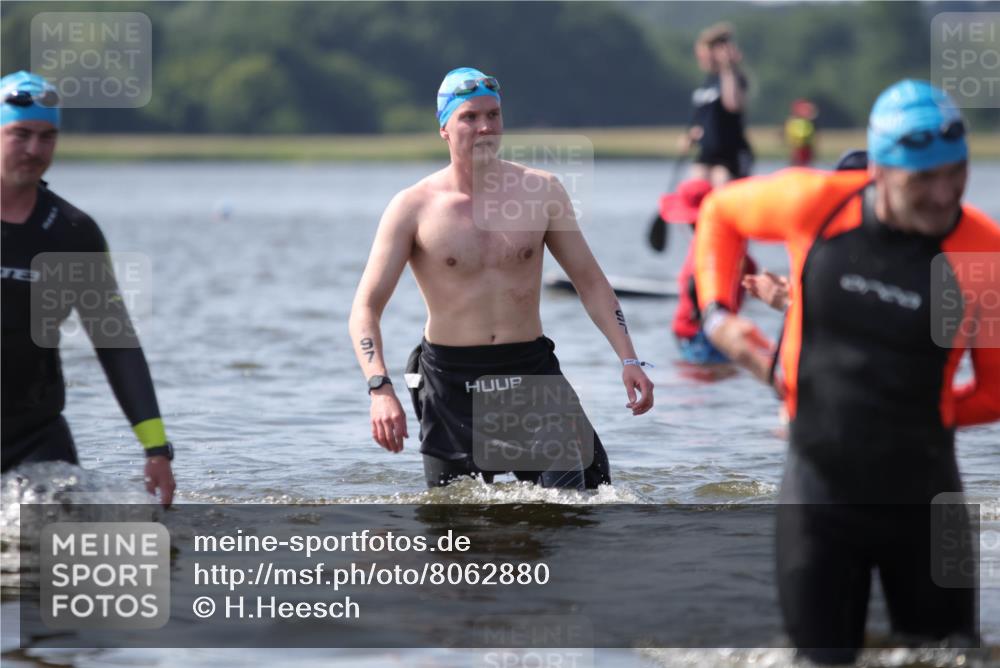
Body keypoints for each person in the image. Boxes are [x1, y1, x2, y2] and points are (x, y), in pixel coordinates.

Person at [694, 80, 999, 662]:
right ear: (880, 170)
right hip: (818, 499)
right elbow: (718, 213)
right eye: (923, 179)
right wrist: (717, 318)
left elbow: (997, 390)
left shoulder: (982, 251)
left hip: (926, 501)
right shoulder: (816, 203)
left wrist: (913, 415)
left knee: (949, 658)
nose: (943, 195)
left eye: (955, 173)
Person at [349, 67, 654, 489]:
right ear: (444, 127)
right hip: (452, 381)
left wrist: (629, 359)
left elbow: (592, 283)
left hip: (529, 369)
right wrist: (379, 388)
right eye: (469, 118)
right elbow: (365, 309)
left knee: (585, 502)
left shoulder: (542, 191)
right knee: (457, 530)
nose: (485, 127)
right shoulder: (413, 207)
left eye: (493, 115)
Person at [1, 71, 175, 507]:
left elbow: (115, 343)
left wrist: (155, 448)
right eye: (20, 134)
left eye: (47, 137)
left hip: (34, 440)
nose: (34, 150)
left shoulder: (71, 232)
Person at [659, 178, 757, 365]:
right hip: (718, 328)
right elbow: (750, 268)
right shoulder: (730, 242)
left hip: (698, 332)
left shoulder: (703, 244)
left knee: (700, 382)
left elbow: (693, 283)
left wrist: (699, 312)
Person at [678, 22, 754, 187]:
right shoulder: (706, 82)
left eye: (703, 53)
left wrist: (728, 68)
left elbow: (733, 105)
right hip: (707, 153)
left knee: (721, 182)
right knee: (696, 188)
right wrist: (691, 135)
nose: (700, 58)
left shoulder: (734, 77)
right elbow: (701, 117)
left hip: (730, 154)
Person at [784, 98, 818, 167]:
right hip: (797, 148)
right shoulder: (793, 122)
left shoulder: (808, 122)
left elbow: (812, 137)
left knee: (805, 166)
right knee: (797, 165)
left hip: (806, 148)